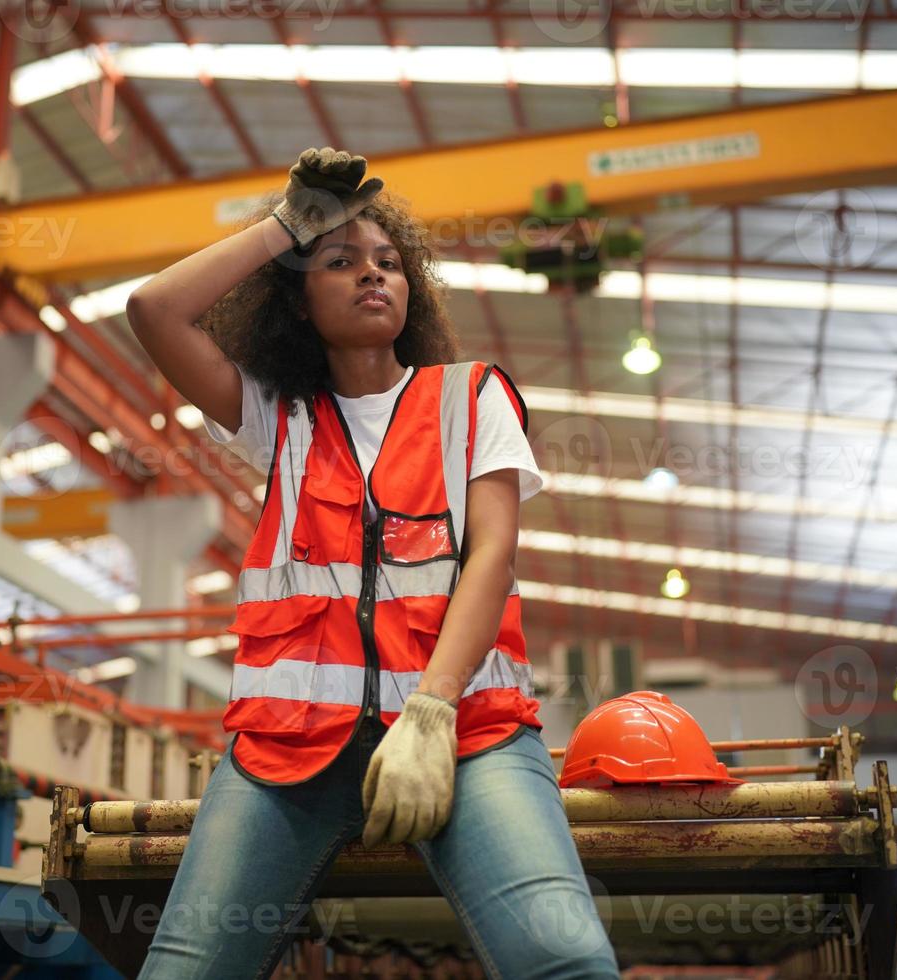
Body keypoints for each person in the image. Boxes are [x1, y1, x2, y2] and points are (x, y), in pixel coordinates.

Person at [126, 147, 620, 979]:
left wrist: (430, 714)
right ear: (297, 297)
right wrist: (284, 227)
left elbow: (492, 555)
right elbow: (152, 309)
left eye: (390, 263)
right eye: (341, 261)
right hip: (288, 758)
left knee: (563, 957)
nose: (373, 275)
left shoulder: (471, 397)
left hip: (465, 736)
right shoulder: (275, 418)